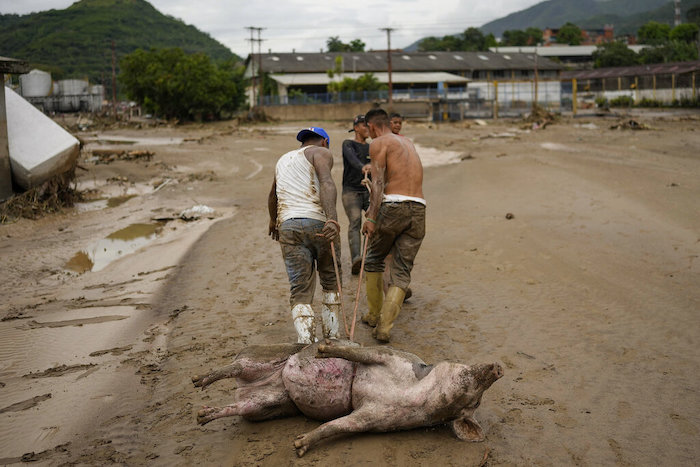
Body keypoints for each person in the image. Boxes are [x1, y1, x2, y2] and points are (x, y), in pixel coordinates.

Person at [268, 127, 342, 344]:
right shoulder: (321, 153)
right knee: (330, 280)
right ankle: (332, 339)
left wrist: (273, 221)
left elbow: (273, 195)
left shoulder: (282, 160)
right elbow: (327, 182)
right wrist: (332, 219)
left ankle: (306, 342)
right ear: (324, 142)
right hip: (317, 222)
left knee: (300, 287)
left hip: (289, 225)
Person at [361, 109, 425, 342]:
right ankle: (385, 328)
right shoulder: (406, 142)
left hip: (394, 207)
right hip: (418, 208)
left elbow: (378, 183)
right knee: (402, 269)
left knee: (373, 259)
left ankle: (374, 315)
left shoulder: (378, 142)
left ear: (371, 126)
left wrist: (371, 217)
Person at [341, 115, 371, 275]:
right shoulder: (348, 144)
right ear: (356, 127)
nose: (367, 128)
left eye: (368, 125)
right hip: (351, 191)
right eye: (364, 125)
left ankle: (367, 257)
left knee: (373, 221)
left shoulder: (372, 147)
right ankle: (356, 259)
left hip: (368, 190)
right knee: (355, 221)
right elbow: (352, 160)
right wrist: (363, 167)